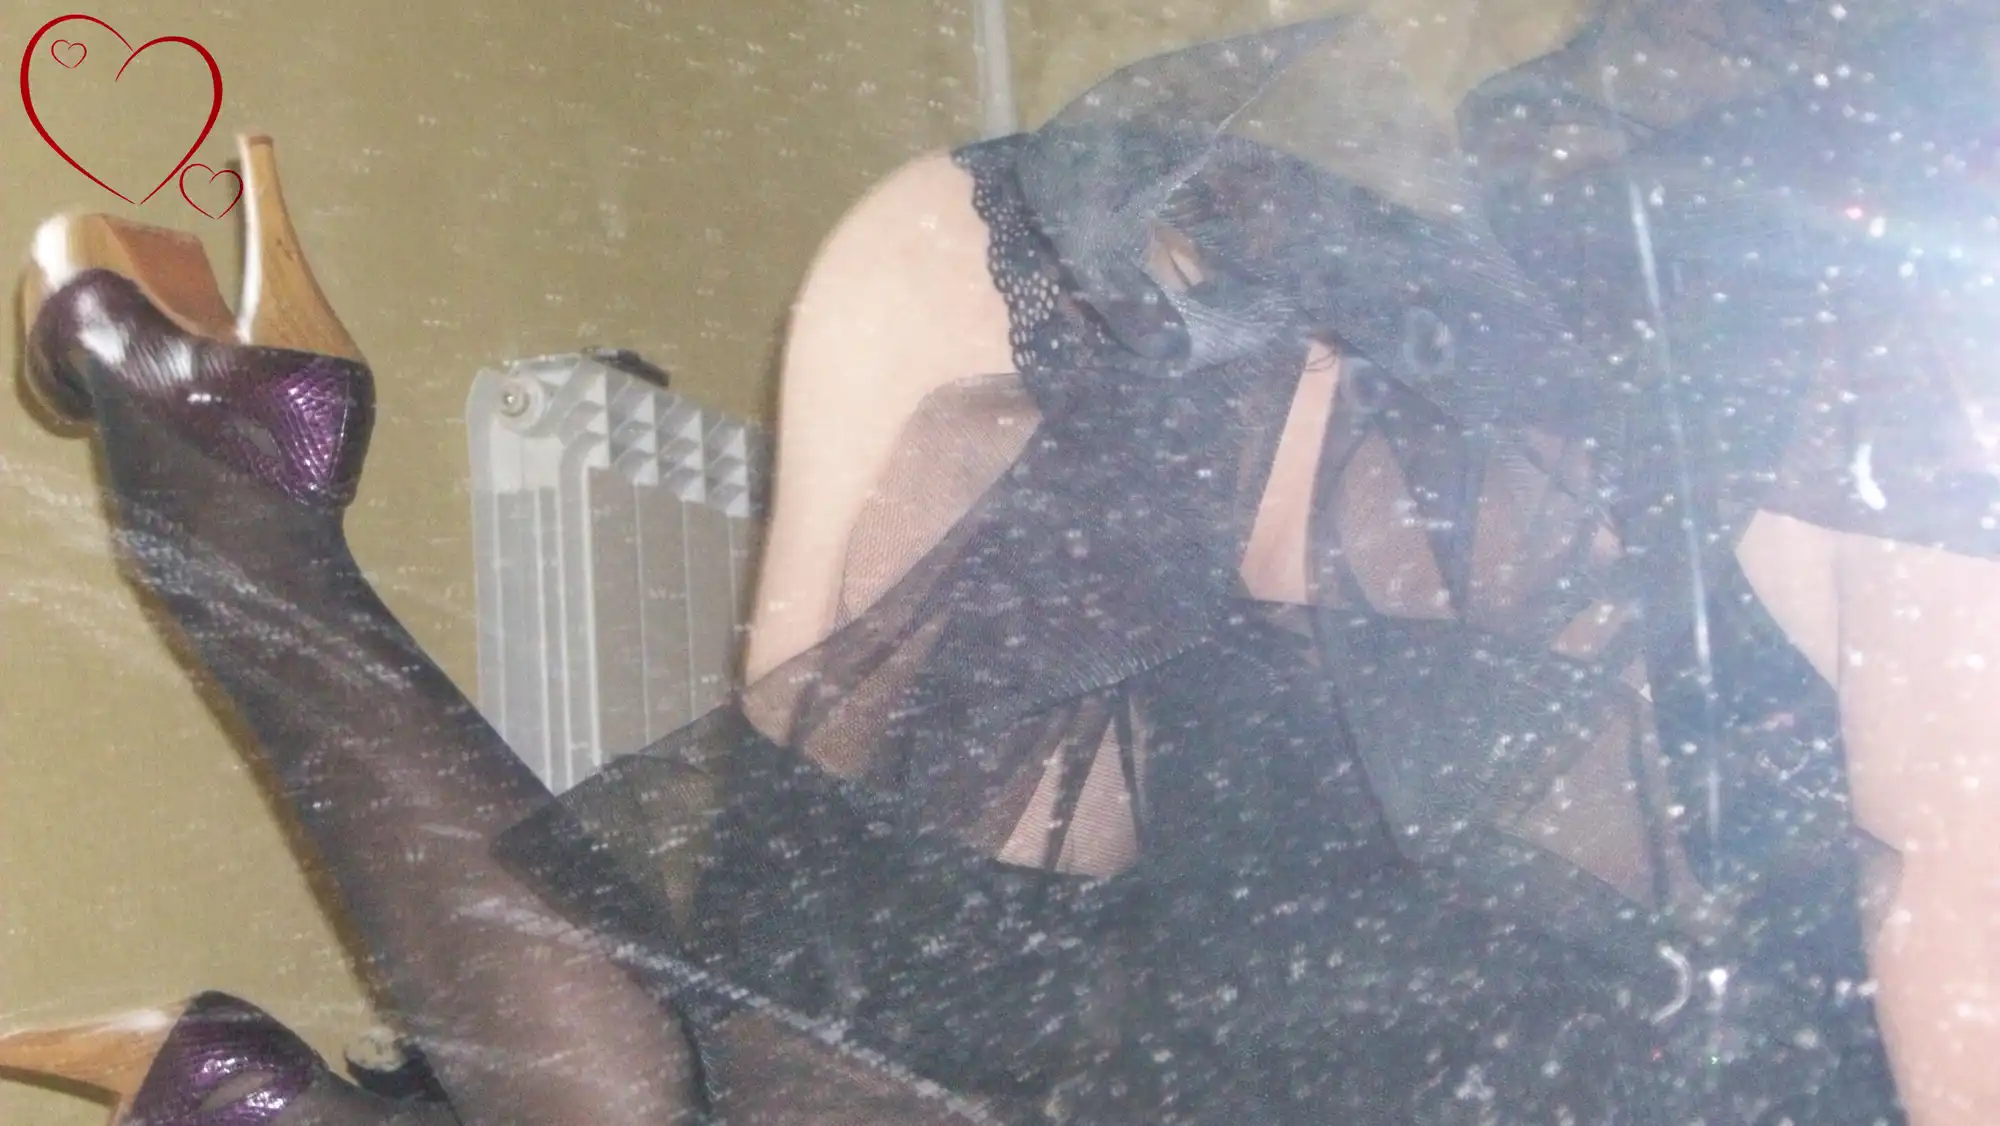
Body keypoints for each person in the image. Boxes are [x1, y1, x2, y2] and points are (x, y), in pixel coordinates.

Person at [9, 1, 1999, 1122]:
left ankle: (239, 488)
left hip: (1033, 295)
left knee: (764, 1091)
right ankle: (235, 516)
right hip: (1287, 449)